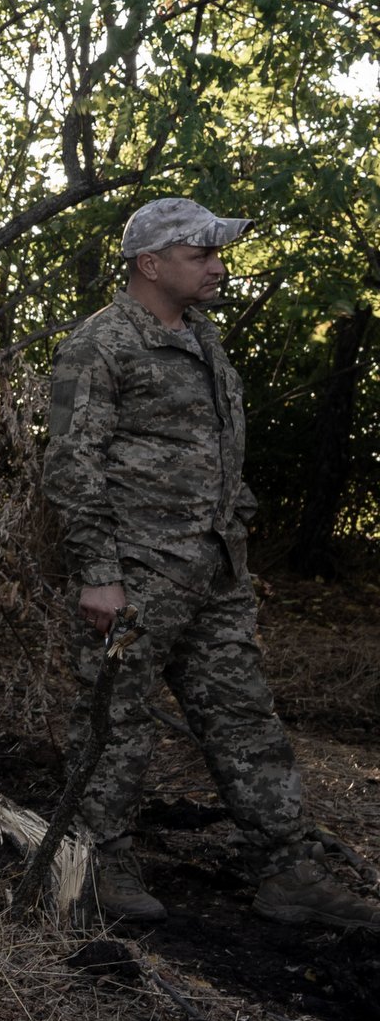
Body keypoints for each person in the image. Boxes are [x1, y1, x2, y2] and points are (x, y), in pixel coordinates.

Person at [43, 197, 378, 931]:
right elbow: (71, 466)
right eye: (201, 255)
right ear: (149, 263)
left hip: (215, 571)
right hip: (137, 573)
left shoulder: (202, 337)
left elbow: (215, 446)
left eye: (217, 254)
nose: (218, 267)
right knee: (115, 720)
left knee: (244, 717)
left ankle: (288, 871)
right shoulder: (100, 345)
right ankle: (96, 863)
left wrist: (237, 521)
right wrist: (100, 573)